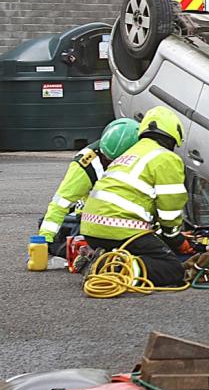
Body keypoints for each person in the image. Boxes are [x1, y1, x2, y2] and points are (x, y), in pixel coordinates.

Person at [78, 106, 189, 286]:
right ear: (173, 136)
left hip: (92, 228)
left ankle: (100, 258)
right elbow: (170, 207)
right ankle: (112, 268)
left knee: (146, 253)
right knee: (172, 269)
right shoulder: (166, 158)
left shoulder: (130, 154)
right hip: (121, 229)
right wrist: (176, 238)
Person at [36, 117, 140, 253]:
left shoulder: (144, 158)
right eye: (107, 160)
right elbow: (61, 203)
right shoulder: (85, 166)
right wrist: (45, 240)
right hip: (92, 220)